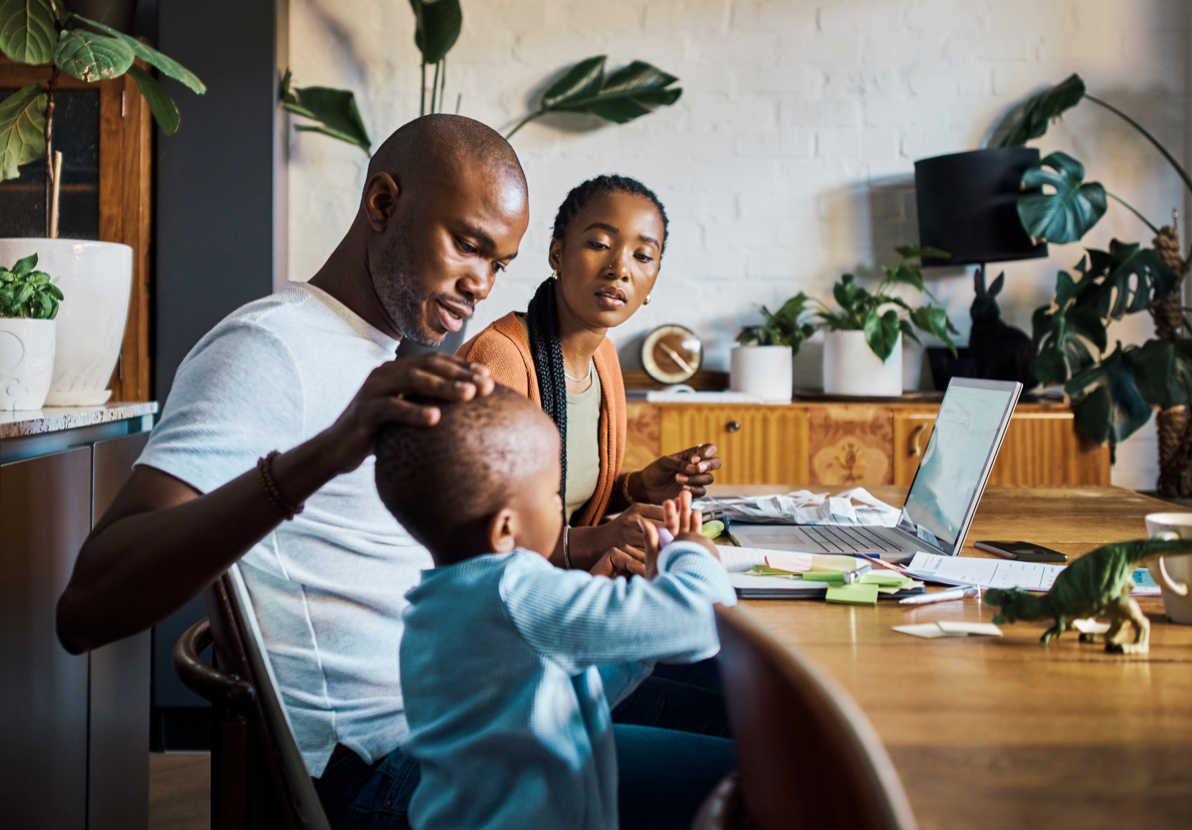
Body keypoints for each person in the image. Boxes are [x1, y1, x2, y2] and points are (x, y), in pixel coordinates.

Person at [56, 115, 529, 815]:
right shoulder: (268, 347)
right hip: (377, 773)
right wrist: (323, 456)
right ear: (382, 204)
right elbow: (87, 608)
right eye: (468, 245)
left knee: (705, 692)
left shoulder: (371, 356)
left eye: (498, 264)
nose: (481, 284)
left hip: (446, 731)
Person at [375, 387, 737, 830]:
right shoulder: (518, 591)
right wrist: (693, 553)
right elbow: (701, 620)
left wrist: (637, 623)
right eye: (553, 494)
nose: (560, 506)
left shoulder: (439, 600)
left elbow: (561, 699)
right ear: (505, 527)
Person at [456, 175, 721, 572]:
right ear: (557, 254)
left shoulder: (604, 360)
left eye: (642, 256)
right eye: (600, 244)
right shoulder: (499, 361)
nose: (620, 269)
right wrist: (600, 540)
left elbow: (568, 500)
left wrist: (638, 488)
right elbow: (471, 535)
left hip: (567, 587)